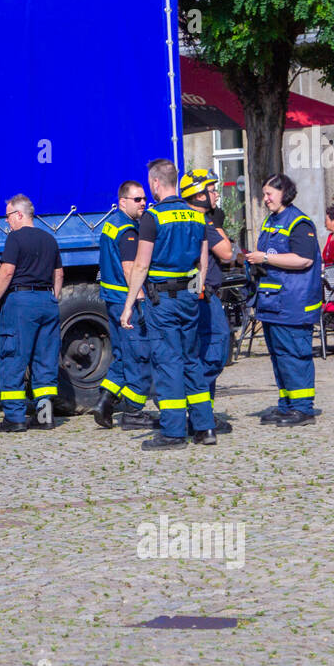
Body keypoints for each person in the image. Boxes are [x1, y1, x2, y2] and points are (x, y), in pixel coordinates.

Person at [120, 159, 216, 449]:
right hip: (189, 297)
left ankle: (174, 432)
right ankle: (205, 428)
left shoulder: (153, 217)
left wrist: (127, 306)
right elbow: (203, 261)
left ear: (155, 184)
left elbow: (141, 265)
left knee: (167, 363)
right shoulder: (197, 217)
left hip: (162, 300)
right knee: (191, 359)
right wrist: (195, 291)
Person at [243, 174, 322, 427]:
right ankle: (287, 405)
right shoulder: (271, 221)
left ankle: (303, 409)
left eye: (269, 194)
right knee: (279, 356)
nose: (265, 199)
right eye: (264, 194)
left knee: (295, 355)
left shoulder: (299, 223)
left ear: (284, 193)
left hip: (293, 302)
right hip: (272, 302)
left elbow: (304, 259)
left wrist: (264, 258)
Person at [0, 195, 63, 433]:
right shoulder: (50, 239)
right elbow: (58, 274)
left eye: (8, 216)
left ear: (19, 214)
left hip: (21, 302)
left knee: (13, 359)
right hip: (47, 301)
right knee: (45, 361)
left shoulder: (15, 238)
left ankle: (15, 418)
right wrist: (52, 298)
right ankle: (44, 416)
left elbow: (7, 272)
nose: (7, 221)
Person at [92, 180, 156, 429]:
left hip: (112, 300)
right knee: (139, 356)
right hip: (127, 302)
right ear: (123, 202)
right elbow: (131, 269)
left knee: (121, 355)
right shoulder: (128, 231)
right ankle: (134, 412)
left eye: (144, 198)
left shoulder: (111, 224)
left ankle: (104, 402)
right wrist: (138, 300)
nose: (143, 203)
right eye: (137, 199)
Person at [180, 167, 235, 432]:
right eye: (212, 190)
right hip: (204, 297)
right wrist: (218, 225)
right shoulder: (203, 221)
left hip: (191, 294)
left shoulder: (183, 218)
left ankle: (203, 414)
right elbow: (227, 253)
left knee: (198, 352)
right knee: (214, 350)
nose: (216, 195)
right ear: (199, 195)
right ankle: (198, 413)